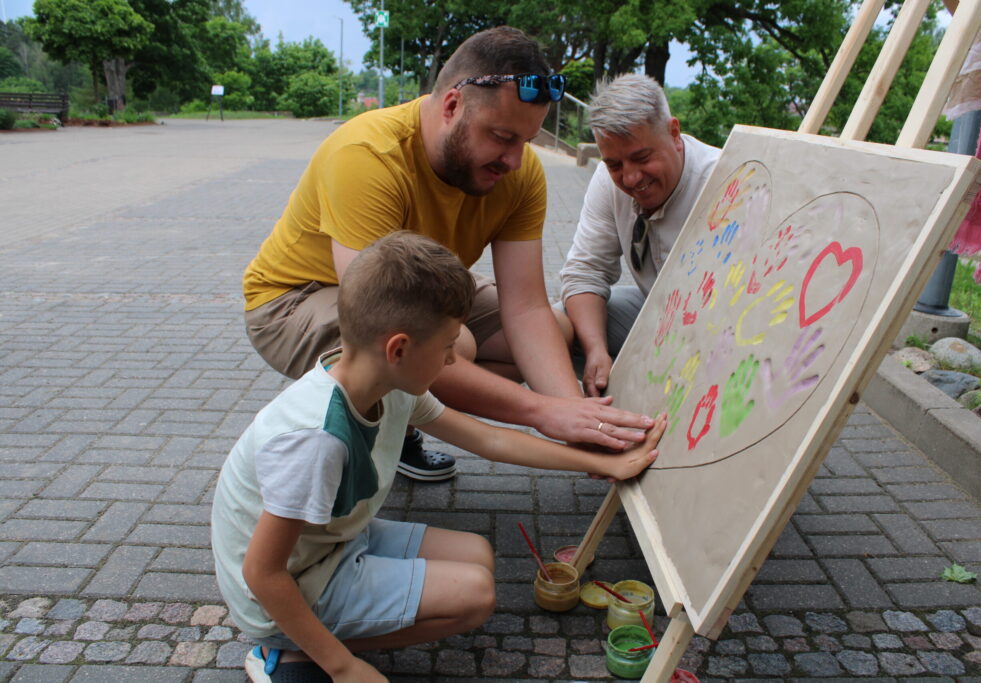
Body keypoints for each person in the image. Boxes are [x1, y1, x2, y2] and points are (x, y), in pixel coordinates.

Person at [213, 232, 667, 683]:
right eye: (448, 345)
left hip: (331, 543)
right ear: (399, 348)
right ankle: (294, 649)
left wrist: (604, 463)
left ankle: (320, 633)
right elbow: (262, 571)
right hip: (286, 586)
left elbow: (491, 441)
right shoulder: (317, 439)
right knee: (474, 596)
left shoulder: (381, 381)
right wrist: (345, 668)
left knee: (478, 556)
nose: (453, 360)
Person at [242, 27, 651, 483]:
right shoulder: (369, 155)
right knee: (447, 345)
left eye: (526, 141)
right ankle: (384, 420)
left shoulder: (519, 173)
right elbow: (379, 320)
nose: (514, 161)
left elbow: (527, 306)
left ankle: (402, 411)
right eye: (501, 136)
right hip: (302, 297)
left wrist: (575, 418)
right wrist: (540, 412)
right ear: (453, 106)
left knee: (555, 329)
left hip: (419, 284)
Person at [560, 74, 722, 397]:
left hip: (717, 328)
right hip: (656, 310)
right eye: (615, 164)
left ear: (674, 133)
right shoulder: (608, 182)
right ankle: (583, 418)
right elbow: (584, 273)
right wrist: (596, 350)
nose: (631, 178)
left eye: (642, 158)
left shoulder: (722, 181)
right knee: (554, 325)